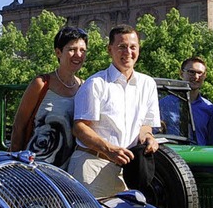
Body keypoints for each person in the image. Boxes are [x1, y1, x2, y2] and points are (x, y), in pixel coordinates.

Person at [68, 24, 160, 198]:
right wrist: (109, 149)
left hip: (130, 171)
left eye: (133, 47)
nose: (128, 52)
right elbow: (79, 128)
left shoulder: (148, 84)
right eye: (121, 47)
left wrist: (149, 137)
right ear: (110, 50)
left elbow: (145, 126)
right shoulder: (96, 83)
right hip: (93, 167)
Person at [10, 26, 88, 169]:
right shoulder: (41, 84)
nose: (78, 55)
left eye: (82, 50)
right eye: (72, 49)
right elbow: (19, 126)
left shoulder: (85, 87)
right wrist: (15, 165)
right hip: (35, 169)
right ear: (58, 52)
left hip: (69, 172)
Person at [159, 56, 213, 145]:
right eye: (191, 72)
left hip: (199, 156)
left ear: (205, 76)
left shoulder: (208, 107)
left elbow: (212, 142)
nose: (196, 77)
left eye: (200, 73)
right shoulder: (164, 104)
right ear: (181, 74)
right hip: (173, 156)